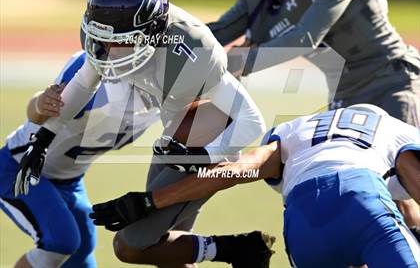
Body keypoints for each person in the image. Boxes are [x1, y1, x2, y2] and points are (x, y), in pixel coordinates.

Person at [14, 0, 266, 268]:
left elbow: (252, 120)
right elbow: (83, 81)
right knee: (164, 246)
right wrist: (43, 137)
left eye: (118, 40)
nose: (106, 48)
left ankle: (239, 249)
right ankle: (235, 249)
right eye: (102, 38)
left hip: (202, 143)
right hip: (174, 140)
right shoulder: (108, 41)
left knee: (140, 242)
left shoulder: (192, 50)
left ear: (152, 32)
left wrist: (204, 153)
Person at [208, 0, 420, 230]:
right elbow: (225, 28)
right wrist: (177, 40)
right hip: (343, 91)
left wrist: (233, 63)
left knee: (402, 184)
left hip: (388, 79)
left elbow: (304, 37)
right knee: (354, 188)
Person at [91, 104, 420, 267]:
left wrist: (150, 201)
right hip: (361, 198)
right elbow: (410, 172)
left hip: (303, 224)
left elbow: (234, 170)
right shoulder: (394, 129)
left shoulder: (293, 131)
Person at [0, 50, 160, 267]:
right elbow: (38, 109)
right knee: (61, 241)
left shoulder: (165, 93)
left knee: (83, 249)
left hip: (70, 179)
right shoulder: (98, 75)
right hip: (19, 167)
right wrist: (41, 103)